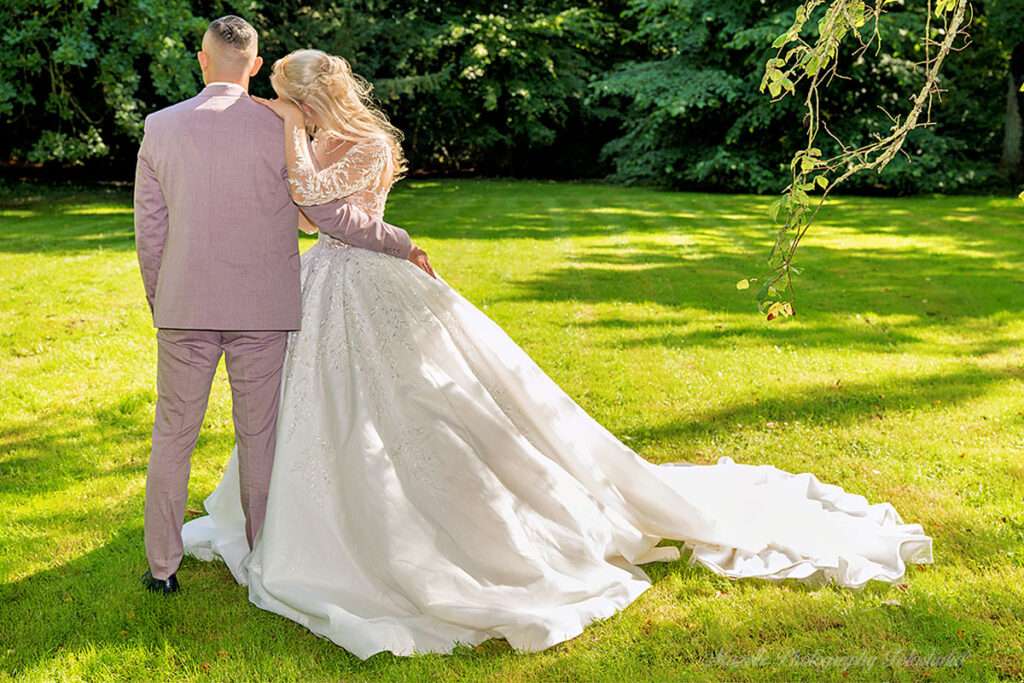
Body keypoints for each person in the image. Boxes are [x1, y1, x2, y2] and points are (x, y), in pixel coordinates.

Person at [180, 42, 933, 658]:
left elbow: (322, 207)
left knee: (421, 405)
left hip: (371, 283)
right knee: (319, 408)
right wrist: (290, 145)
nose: (281, 106)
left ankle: (435, 526)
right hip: (326, 285)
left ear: (308, 97)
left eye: (285, 98)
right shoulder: (316, 137)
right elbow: (303, 210)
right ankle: (308, 519)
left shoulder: (368, 142)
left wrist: (306, 154)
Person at [133, 15, 433, 595]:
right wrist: (401, 242)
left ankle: (163, 569)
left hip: (183, 308)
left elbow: (151, 227)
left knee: (173, 436)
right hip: (264, 310)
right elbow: (326, 214)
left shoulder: (161, 126)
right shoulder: (283, 128)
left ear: (202, 60)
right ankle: (266, 560)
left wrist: (161, 299)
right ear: (254, 64)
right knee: (260, 437)